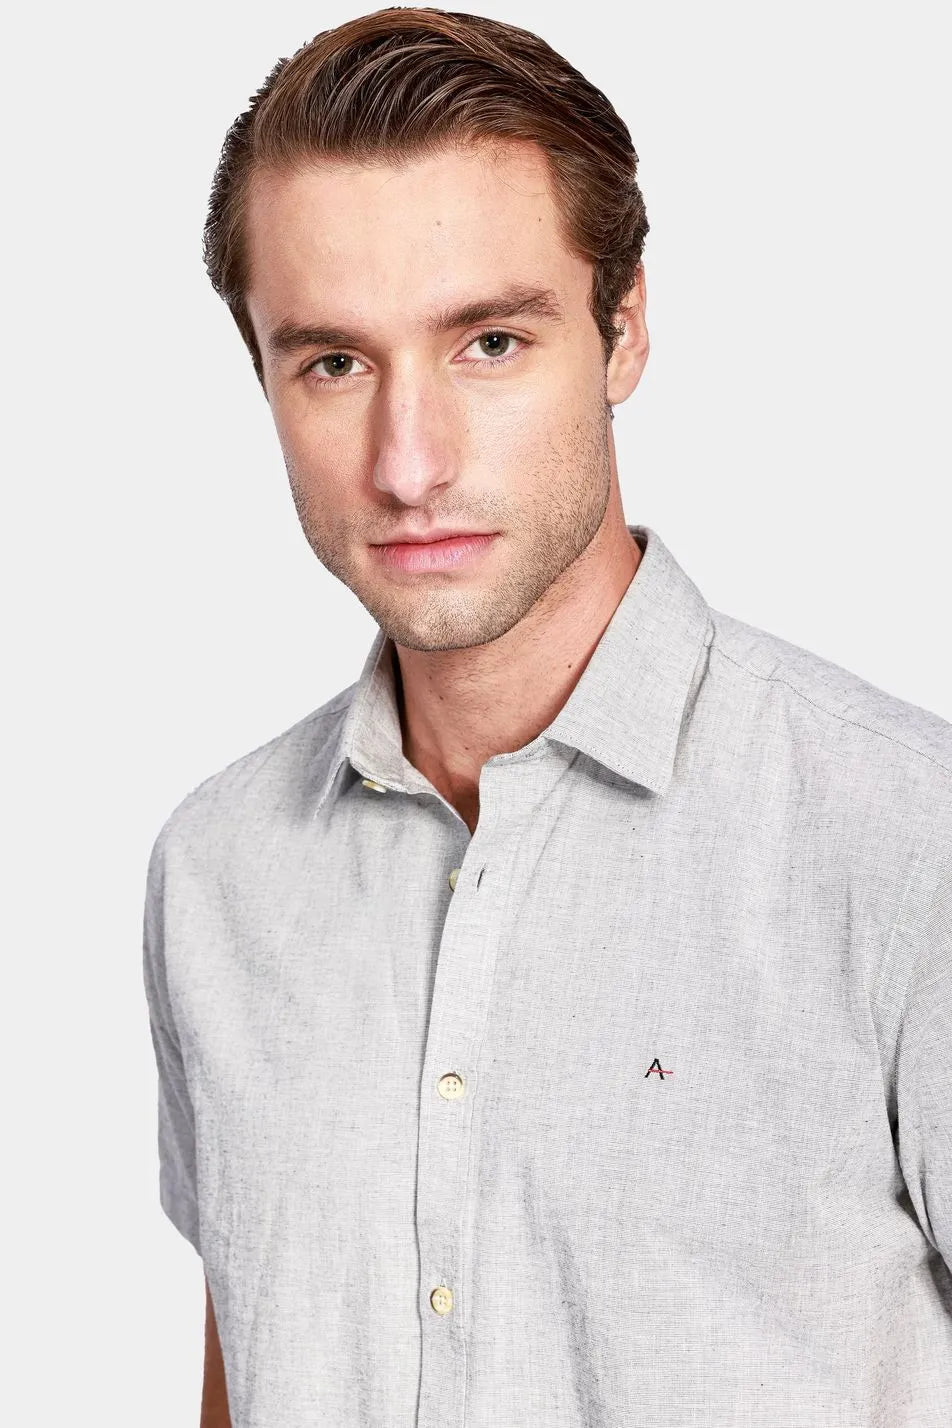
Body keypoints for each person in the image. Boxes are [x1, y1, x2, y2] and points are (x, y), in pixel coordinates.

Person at [141, 9, 952, 1427]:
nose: (409, 465)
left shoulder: (906, 846)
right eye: (333, 363)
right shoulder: (218, 871)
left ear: (622, 329)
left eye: (491, 342)